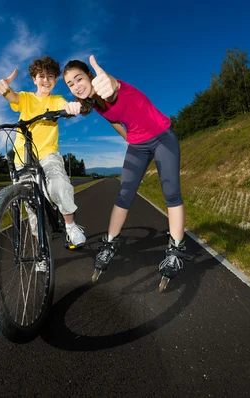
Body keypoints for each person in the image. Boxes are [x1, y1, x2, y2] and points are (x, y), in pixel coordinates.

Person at [62, 55, 193, 280]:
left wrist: (109, 81)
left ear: (90, 76)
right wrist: (128, 139)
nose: (76, 86)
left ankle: (175, 250)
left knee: (171, 192)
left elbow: (112, 87)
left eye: (79, 78)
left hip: (162, 137)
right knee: (124, 195)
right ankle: (110, 243)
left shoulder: (108, 87)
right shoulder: (95, 106)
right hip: (138, 145)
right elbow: (114, 120)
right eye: (70, 84)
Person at [0, 55, 86, 252]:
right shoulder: (26, 98)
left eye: (50, 76)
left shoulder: (56, 99)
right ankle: (40, 253)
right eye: (41, 76)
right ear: (34, 79)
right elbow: (13, 97)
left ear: (55, 80)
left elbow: (65, 107)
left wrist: (72, 106)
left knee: (59, 183)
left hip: (47, 154)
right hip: (23, 157)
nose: (46, 80)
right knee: (32, 209)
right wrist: (4, 89)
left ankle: (70, 225)